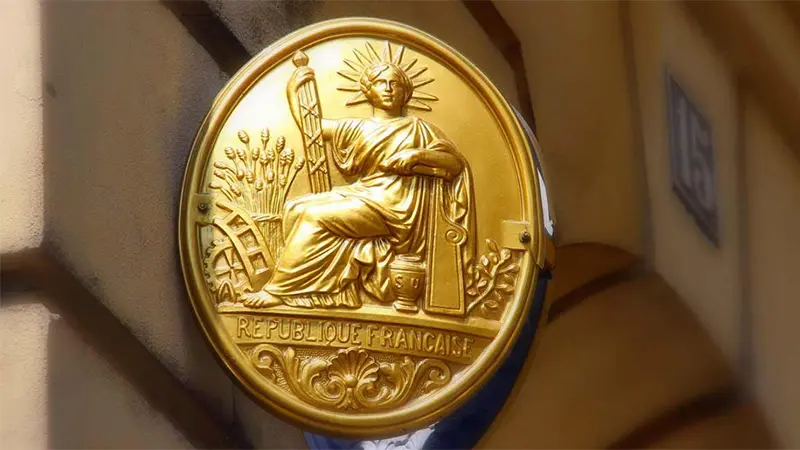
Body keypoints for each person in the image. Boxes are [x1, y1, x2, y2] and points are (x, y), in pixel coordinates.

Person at [241, 56, 474, 309]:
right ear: (367, 91)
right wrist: (293, 89)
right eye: (381, 83)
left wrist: (417, 155)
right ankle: (331, 291)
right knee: (296, 208)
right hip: (367, 194)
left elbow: (455, 164)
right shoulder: (358, 128)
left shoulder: (419, 128)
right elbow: (312, 127)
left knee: (313, 216)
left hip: (397, 207)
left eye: (395, 84)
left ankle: (278, 290)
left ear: (405, 92)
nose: (388, 88)